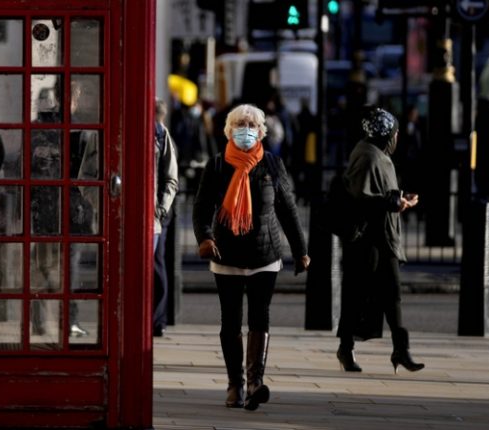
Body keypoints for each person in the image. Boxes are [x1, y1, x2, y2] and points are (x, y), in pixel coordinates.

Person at [192, 104, 310, 410]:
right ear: (229, 130)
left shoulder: (272, 164)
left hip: (264, 254)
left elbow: (287, 209)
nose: (246, 129)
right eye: (240, 124)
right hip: (226, 254)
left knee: (260, 316)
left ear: (261, 131)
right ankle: (236, 385)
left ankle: (255, 381)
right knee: (230, 321)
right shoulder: (217, 165)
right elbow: (201, 208)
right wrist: (205, 238)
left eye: (252, 124)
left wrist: (300, 250)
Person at [335, 106, 424, 375]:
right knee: (357, 294)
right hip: (368, 240)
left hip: (383, 237)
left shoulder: (377, 155)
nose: (397, 138)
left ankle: (401, 350)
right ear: (386, 134)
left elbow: (381, 192)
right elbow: (362, 197)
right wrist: (395, 203)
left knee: (392, 294)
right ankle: (346, 347)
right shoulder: (369, 156)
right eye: (394, 133)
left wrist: (400, 199)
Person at [153, 97, 179, 337]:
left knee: (156, 265)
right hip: (139, 214)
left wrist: (160, 208)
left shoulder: (161, 135)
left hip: (155, 216)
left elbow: (171, 178)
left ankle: (156, 319)